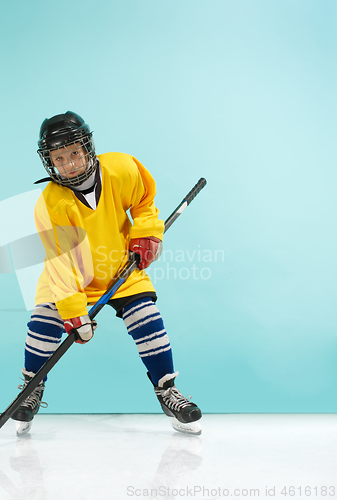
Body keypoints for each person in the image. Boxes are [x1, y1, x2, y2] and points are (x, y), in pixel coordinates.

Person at [13, 111, 202, 435]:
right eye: (60, 157)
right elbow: (61, 261)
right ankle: (32, 388)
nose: (69, 163)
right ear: (50, 162)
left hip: (121, 268)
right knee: (43, 324)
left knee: (148, 321)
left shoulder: (122, 168)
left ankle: (166, 389)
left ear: (88, 147)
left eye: (74, 152)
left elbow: (145, 202)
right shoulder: (49, 203)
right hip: (69, 279)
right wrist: (74, 313)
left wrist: (147, 233)